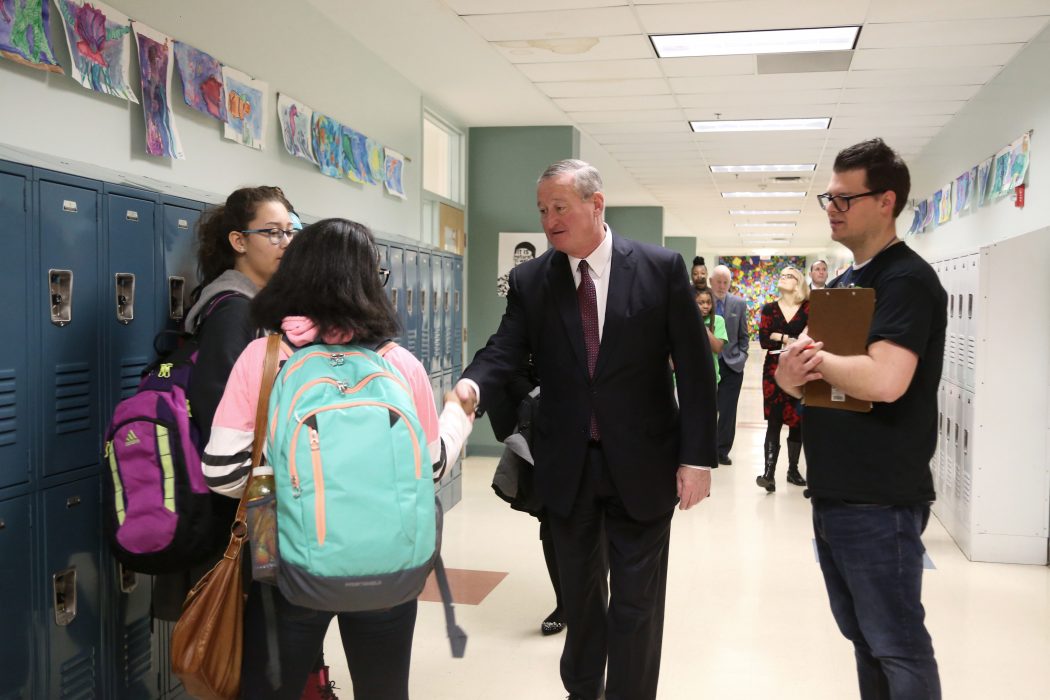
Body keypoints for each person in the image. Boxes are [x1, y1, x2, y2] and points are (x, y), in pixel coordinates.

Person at [455, 159, 717, 700]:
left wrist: (698, 459)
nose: (549, 221)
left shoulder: (658, 268)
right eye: (543, 210)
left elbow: (694, 370)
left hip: (643, 463)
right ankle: (583, 692)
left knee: (636, 603)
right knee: (580, 599)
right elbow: (505, 347)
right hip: (567, 467)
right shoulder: (534, 279)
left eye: (560, 208)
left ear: (595, 206)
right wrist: (473, 386)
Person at [202, 218, 474, 700]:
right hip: (388, 566)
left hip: (284, 566)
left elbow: (222, 475)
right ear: (370, 282)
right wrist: (457, 415)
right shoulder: (399, 363)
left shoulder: (263, 359)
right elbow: (430, 469)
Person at [776, 138, 945, 698]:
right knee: (864, 637)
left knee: (896, 643)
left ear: (886, 201)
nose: (832, 207)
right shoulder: (848, 284)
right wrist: (791, 372)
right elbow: (797, 380)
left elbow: (885, 380)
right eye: (830, 197)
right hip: (837, 491)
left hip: (881, 497)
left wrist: (813, 361)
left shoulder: (907, 281)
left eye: (846, 198)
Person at [756, 267, 809, 492]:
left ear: (798, 282)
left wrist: (780, 337)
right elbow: (764, 341)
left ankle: (793, 469)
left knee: (797, 420)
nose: (783, 278)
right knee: (774, 420)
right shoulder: (769, 309)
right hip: (773, 370)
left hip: (800, 368)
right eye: (783, 275)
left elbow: (811, 338)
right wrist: (791, 338)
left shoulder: (809, 308)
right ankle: (769, 473)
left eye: (789, 275)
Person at [709, 264, 750, 465]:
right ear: (711, 282)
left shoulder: (739, 305)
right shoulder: (701, 303)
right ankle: (705, 448)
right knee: (707, 408)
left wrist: (741, 357)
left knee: (727, 411)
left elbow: (744, 336)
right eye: (718, 281)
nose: (722, 286)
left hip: (732, 366)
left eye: (726, 282)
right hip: (708, 365)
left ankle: (722, 451)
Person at [695, 287, 726, 383]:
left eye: (709, 303)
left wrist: (703, 327)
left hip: (709, 378)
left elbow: (717, 348)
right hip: (685, 378)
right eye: (701, 303)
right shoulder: (684, 320)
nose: (705, 306)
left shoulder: (718, 320)